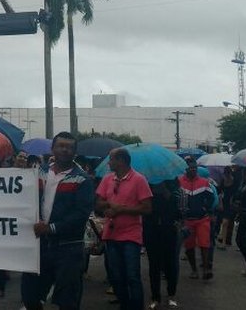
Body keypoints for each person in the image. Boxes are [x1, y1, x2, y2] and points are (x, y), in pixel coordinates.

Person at [21, 132, 95, 310]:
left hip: (68, 248)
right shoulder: (39, 173)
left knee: (67, 300)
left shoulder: (82, 180)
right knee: (30, 295)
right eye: (61, 145)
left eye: (69, 147)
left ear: (74, 153)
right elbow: (23, 197)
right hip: (40, 246)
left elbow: (80, 214)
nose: (64, 149)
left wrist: (51, 228)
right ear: (52, 149)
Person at [95, 147, 152, 310]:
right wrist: (107, 205)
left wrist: (122, 209)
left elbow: (147, 208)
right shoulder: (107, 179)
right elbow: (98, 202)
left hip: (130, 236)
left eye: (111, 159)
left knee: (132, 276)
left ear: (121, 160)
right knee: (116, 276)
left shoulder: (139, 180)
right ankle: (125, 305)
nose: (109, 163)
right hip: (111, 234)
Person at [143, 178, 182, 309]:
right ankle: (155, 297)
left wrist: (167, 193)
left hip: (169, 231)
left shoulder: (173, 186)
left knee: (170, 264)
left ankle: (171, 295)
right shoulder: (146, 185)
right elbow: (145, 210)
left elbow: (178, 212)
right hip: (151, 231)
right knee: (154, 265)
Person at [178, 157, 215, 280]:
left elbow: (211, 198)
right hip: (187, 220)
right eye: (191, 168)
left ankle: (205, 269)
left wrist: (207, 209)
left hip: (202, 219)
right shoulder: (179, 182)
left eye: (195, 168)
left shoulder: (204, 182)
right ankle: (194, 269)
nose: (193, 170)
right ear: (186, 169)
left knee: (205, 244)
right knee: (189, 246)